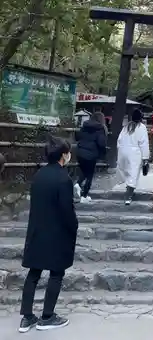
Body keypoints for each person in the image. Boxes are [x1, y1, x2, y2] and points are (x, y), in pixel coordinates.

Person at [19, 136, 78, 333]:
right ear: (64, 155)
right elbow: (66, 211)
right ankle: (47, 316)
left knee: (33, 274)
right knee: (56, 274)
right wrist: (74, 227)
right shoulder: (64, 179)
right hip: (57, 234)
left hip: (37, 230)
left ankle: (26, 317)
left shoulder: (39, 175)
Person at [117, 109, 150, 205]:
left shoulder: (126, 127)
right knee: (133, 174)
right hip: (135, 153)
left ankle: (128, 190)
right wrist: (145, 157)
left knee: (126, 172)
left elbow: (119, 140)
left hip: (123, 150)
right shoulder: (141, 127)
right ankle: (128, 196)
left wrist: (120, 150)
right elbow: (144, 143)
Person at [74, 111, 107, 203]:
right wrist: (103, 153)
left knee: (84, 171)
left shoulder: (84, 126)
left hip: (80, 152)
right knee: (89, 175)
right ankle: (84, 195)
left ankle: (78, 184)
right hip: (91, 154)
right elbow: (101, 143)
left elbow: (78, 137)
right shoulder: (100, 128)